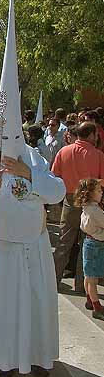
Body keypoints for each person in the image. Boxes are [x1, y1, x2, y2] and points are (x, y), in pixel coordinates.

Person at [0, 0, 66, 377]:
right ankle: (2, 359)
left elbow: (57, 192)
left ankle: (38, 356)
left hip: (33, 247)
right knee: (1, 306)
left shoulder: (34, 159)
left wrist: (28, 175)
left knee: (35, 304)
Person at [52, 122, 104, 290]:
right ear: (90, 135)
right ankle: (83, 285)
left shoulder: (64, 151)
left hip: (69, 199)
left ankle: (53, 279)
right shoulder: (97, 155)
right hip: (90, 203)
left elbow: (54, 175)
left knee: (63, 242)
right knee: (87, 244)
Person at [74, 178, 104, 320]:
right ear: (91, 194)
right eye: (98, 191)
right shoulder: (95, 211)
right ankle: (97, 307)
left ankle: (89, 300)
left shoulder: (86, 206)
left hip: (88, 242)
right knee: (93, 279)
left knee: (88, 276)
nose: (101, 193)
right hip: (96, 245)